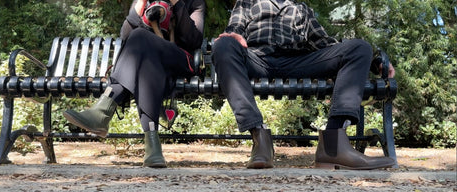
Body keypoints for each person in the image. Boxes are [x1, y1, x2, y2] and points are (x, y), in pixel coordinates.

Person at [212, 0, 396, 169]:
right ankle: (259, 138)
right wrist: (233, 36)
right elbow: (234, 28)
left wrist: (374, 62)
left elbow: (325, 44)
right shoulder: (247, 2)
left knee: (360, 48)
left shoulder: (302, 7)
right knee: (224, 44)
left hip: (298, 63)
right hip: (257, 60)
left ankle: (333, 147)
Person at [63, 0, 206, 168]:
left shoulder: (195, 3)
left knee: (139, 37)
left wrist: (177, 4)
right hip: (150, 65)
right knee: (144, 62)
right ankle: (153, 148)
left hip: (179, 60)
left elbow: (194, 40)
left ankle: (103, 110)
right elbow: (125, 36)